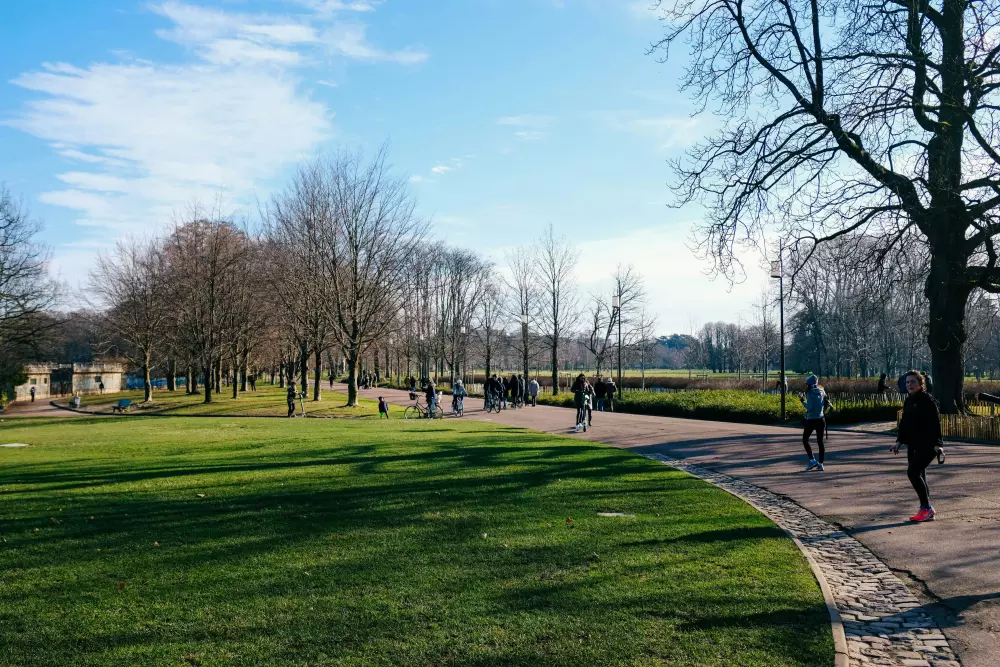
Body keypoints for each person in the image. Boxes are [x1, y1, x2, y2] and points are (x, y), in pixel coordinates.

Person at [892, 370, 945, 522]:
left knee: (913, 472)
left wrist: (938, 445)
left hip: (928, 445)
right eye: (907, 382)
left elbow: (935, 424)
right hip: (913, 445)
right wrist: (899, 441)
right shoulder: (909, 400)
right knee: (920, 475)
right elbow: (904, 423)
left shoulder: (928, 401)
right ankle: (927, 509)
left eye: (912, 382)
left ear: (920, 384)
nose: (909, 385)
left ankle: (926, 508)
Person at [800, 375, 828, 471]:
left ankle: (812, 460)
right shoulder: (822, 390)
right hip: (821, 419)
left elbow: (810, 407)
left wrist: (802, 401)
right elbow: (825, 402)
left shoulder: (809, 393)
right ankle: (821, 464)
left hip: (811, 419)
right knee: (820, 442)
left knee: (805, 440)